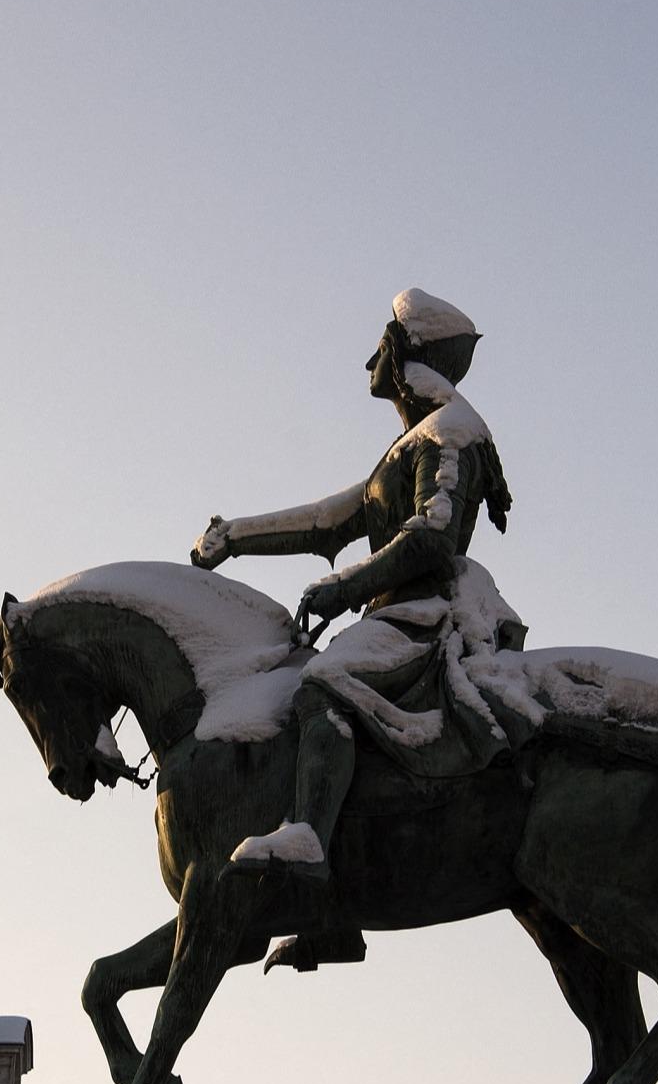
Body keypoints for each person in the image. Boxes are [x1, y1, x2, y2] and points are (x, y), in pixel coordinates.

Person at [190, 288, 521, 968]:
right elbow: (326, 520)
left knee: (324, 685)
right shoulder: (412, 442)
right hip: (394, 613)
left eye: (382, 342)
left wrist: (348, 584)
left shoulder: (453, 431)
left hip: (425, 616)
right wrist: (236, 538)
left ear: (404, 355)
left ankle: (308, 838)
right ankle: (331, 907)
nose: (370, 356)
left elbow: (431, 537)